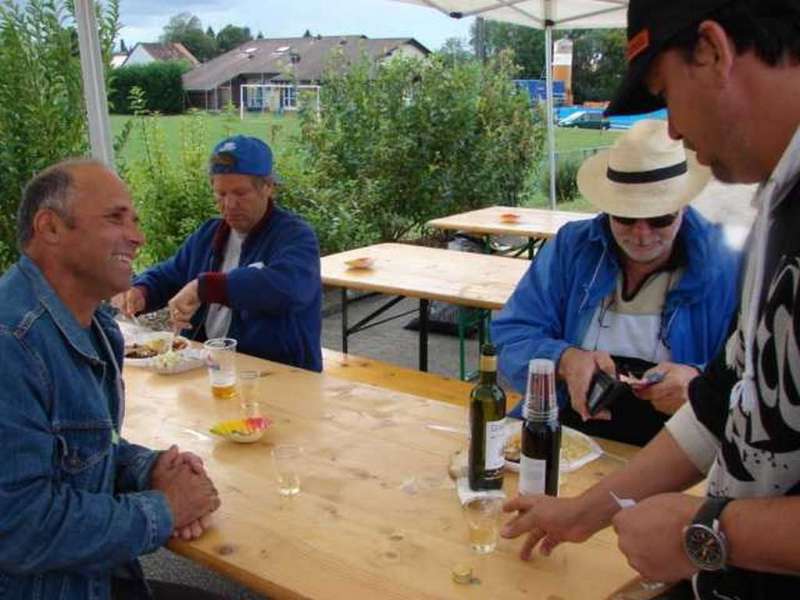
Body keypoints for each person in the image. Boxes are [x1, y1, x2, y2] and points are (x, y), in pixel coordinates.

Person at [501, 1, 800, 597]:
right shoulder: (777, 202)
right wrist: (583, 513)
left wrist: (710, 529)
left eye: (666, 95)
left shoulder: (735, 244)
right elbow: (722, 404)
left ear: (712, 51)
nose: (674, 131)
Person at [0, 159, 222, 599]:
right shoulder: (13, 343)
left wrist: (150, 467)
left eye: (135, 221)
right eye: (115, 218)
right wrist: (165, 508)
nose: (137, 237)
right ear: (50, 228)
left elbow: (77, 454)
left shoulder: (94, 324)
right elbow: (19, 529)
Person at [492, 119, 740, 445]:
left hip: (680, 448)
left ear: (682, 206)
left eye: (660, 219)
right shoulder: (572, 247)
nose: (641, 235)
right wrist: (565, 359)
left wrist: (699, 386)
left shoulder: (729, 265)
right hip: (566, 429)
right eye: (624, 216)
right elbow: (510, 337)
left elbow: (761, 382)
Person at [114, 135, 322, 372]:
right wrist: (142, 291)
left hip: (281, 374)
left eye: (240, 193)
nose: (229, 205)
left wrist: (204, 287)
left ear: (268, 188)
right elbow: (171, 273)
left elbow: (288, 287)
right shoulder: (209, 234)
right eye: (221, 194)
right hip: (211, 368)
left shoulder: (295, 236)